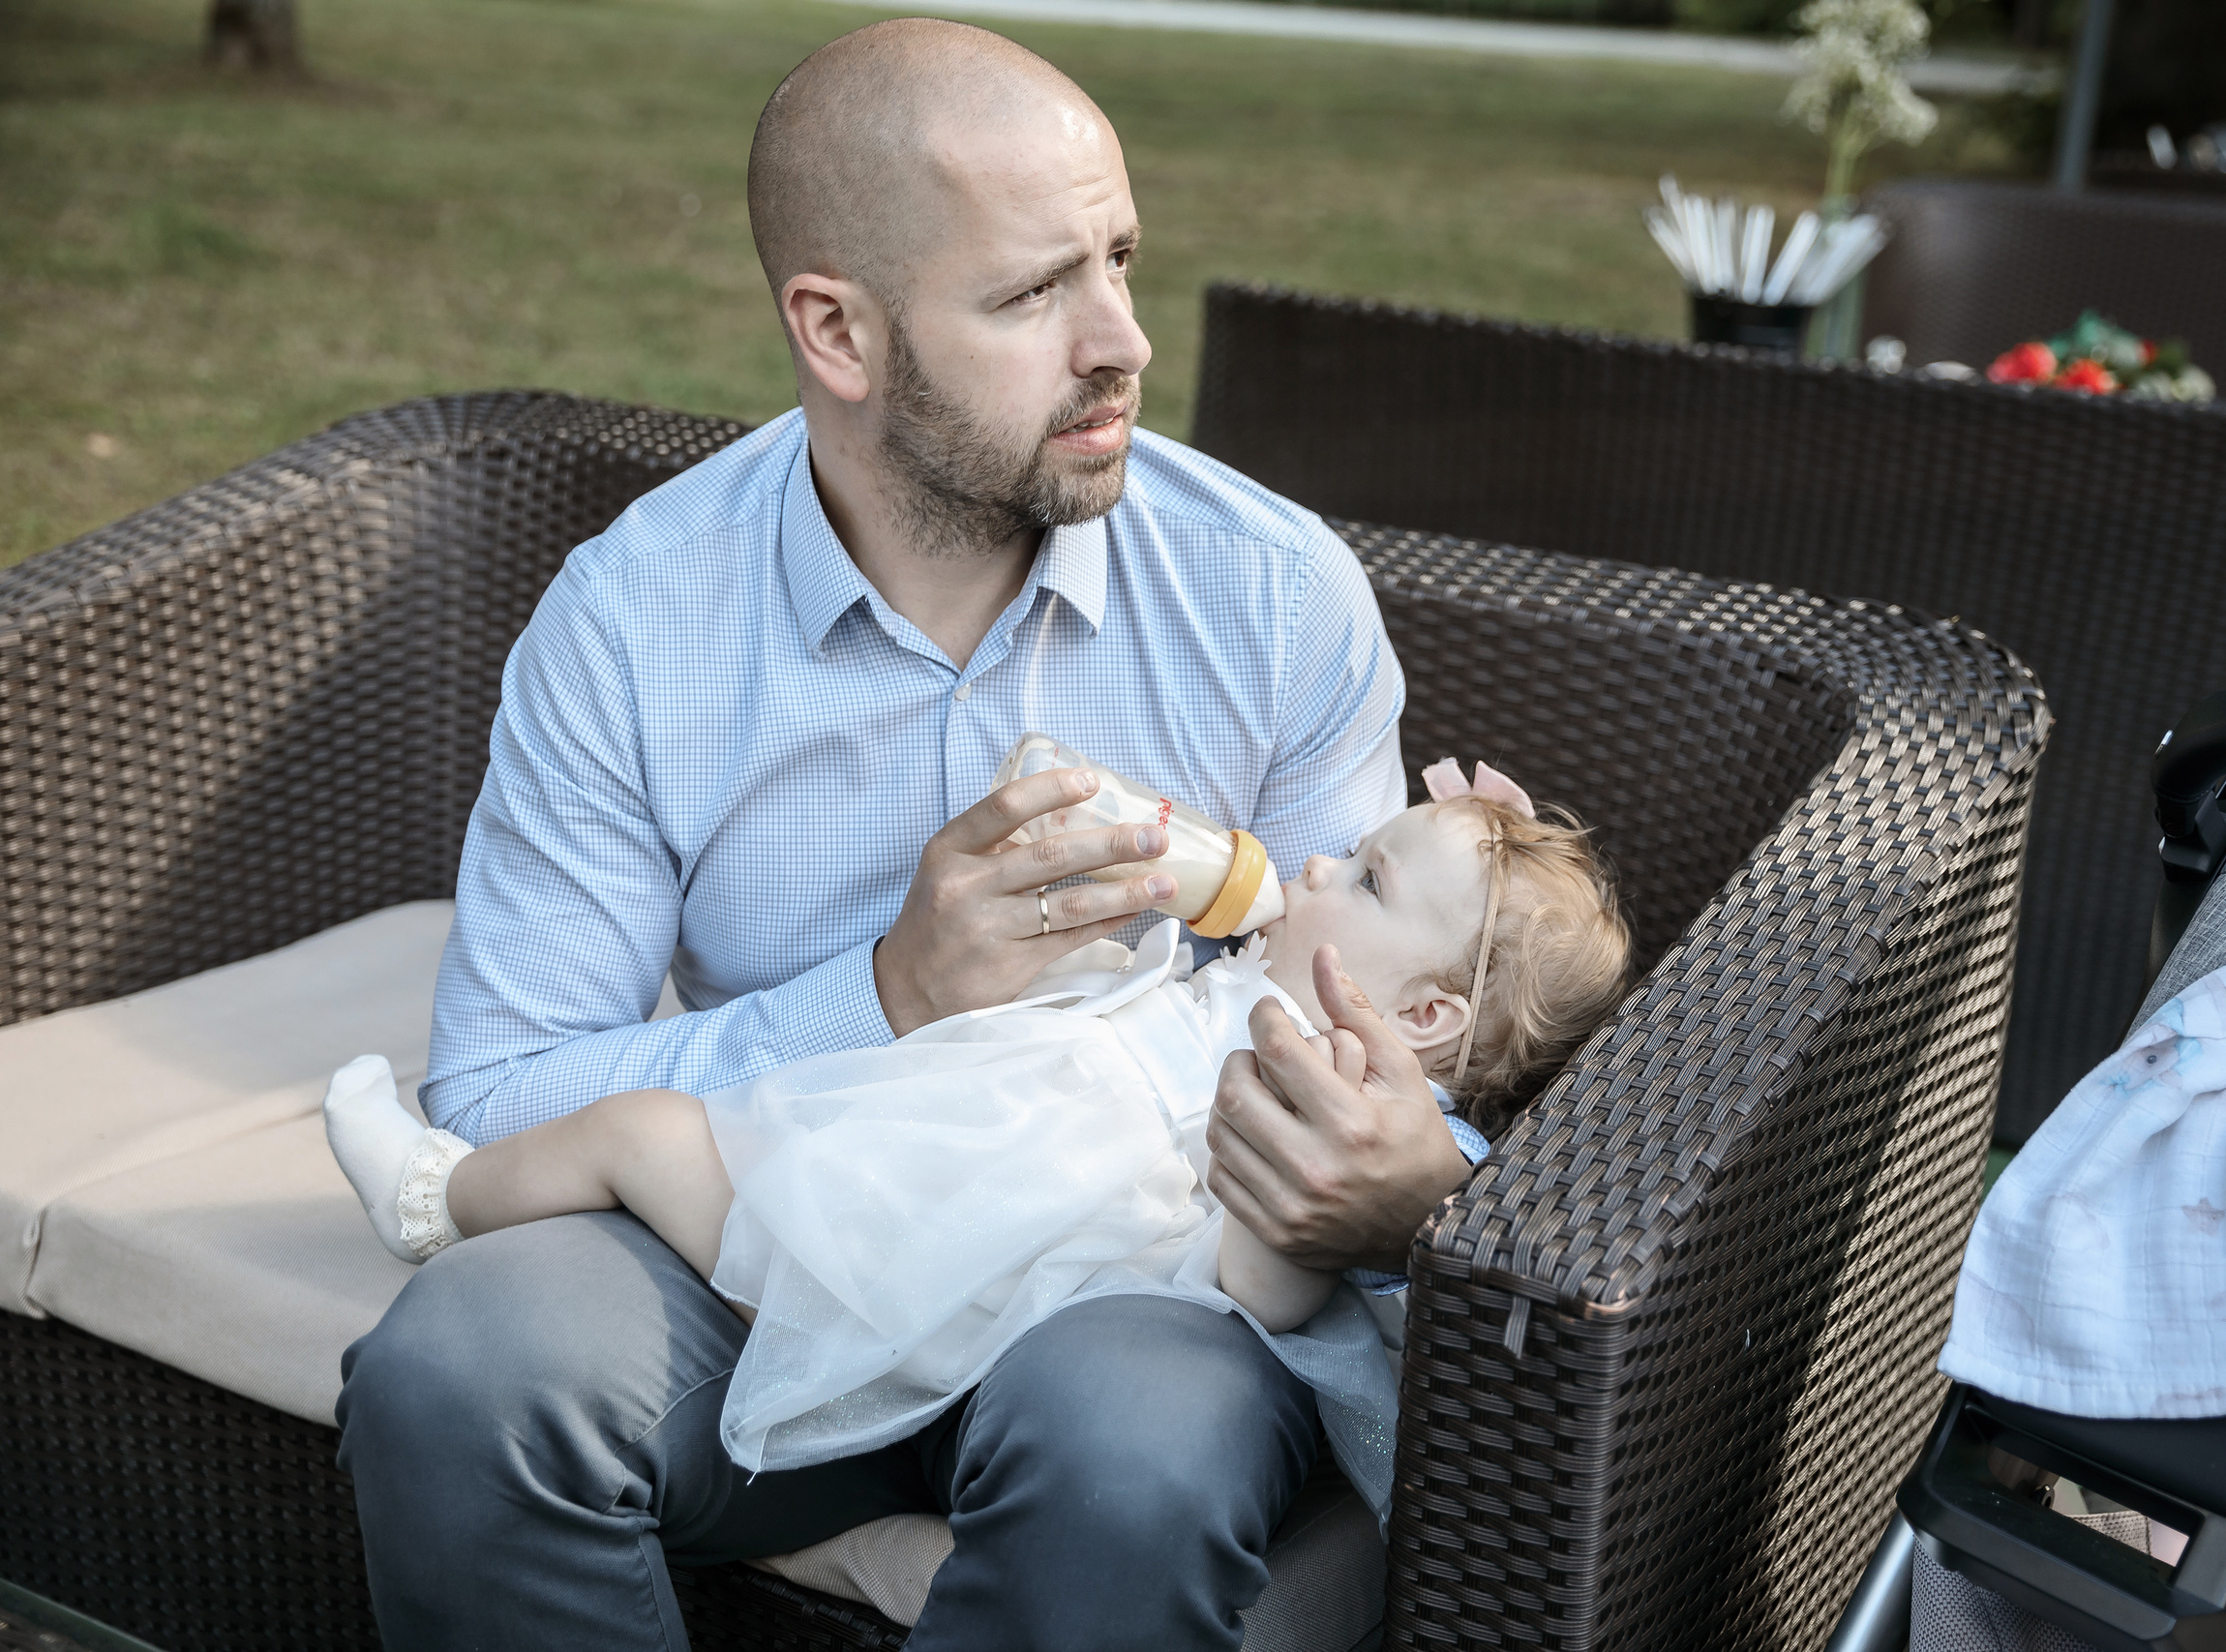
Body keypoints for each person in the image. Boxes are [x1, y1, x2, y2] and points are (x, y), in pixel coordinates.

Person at [331, 19, 1533, 1652]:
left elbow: (1370, 1031)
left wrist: (1412, 1176)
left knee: (1131, 1461)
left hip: (1131, 1279)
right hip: (778, 1239)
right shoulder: (635, 624)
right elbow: (498, 1093)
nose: (1122, 342)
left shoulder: (1269, 593)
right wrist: (889, 997)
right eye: (1034, 293)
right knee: (462, 1371)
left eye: (1120, 261)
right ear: (837, 330)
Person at [325, 776, 1632, 1513]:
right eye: (1349, 849)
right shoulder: (1251, 985)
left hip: (936, 1258)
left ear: (1426, 1016)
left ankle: (438, 1197)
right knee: (660, 1136)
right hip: (954, 1224)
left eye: (1367, 878)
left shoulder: (1336, 1097)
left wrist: (1299, 1227)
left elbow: (1280, 1282)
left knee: (639, 1132)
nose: (1319, 866)